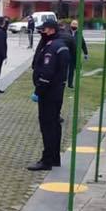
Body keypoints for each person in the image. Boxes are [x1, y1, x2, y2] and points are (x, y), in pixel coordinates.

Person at [28, 19, 71, 171]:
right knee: (54, 125)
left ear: (51, 30)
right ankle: (54, 158)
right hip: (57, 91)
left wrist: (38, 91)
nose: (41, 33)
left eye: (43, 30)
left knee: (48, 126)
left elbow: (47, 73)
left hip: (49, 93)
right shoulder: (59, 45)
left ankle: (47, 160)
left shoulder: (53, 47)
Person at [66, 20, 88, 88]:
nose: (74, 27)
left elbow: (83, 44)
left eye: (75, 26)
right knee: (68, 69)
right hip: (67, 53)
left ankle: (72, 83)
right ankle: (67, 83)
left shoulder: (79, 34)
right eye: (73, 25)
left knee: (75, 69)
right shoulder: (66, 32)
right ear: (70, 25)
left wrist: (85, 53)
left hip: (75, 54)